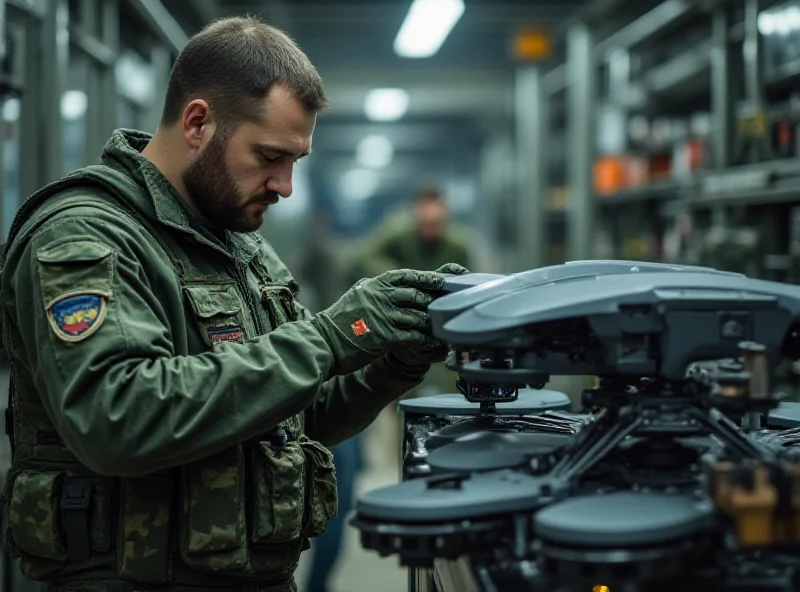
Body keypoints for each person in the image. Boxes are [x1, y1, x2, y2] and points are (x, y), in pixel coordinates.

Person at [0, 17, 466, 592]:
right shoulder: (87, 237)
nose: (285, 185)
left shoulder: (239, 245)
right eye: (271, 156)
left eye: (295, 161)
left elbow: (300, 413)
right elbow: (114, 417)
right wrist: (328, 338)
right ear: (198, 122)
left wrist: (394, 359)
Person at [351, 184, 474, 283]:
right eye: (426, 223)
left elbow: (468, 279)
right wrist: (396, 276)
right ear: (416, 215)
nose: (431, 230)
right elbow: (366, 258)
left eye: (436, 223)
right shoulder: (397, 234)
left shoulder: (458, 246)